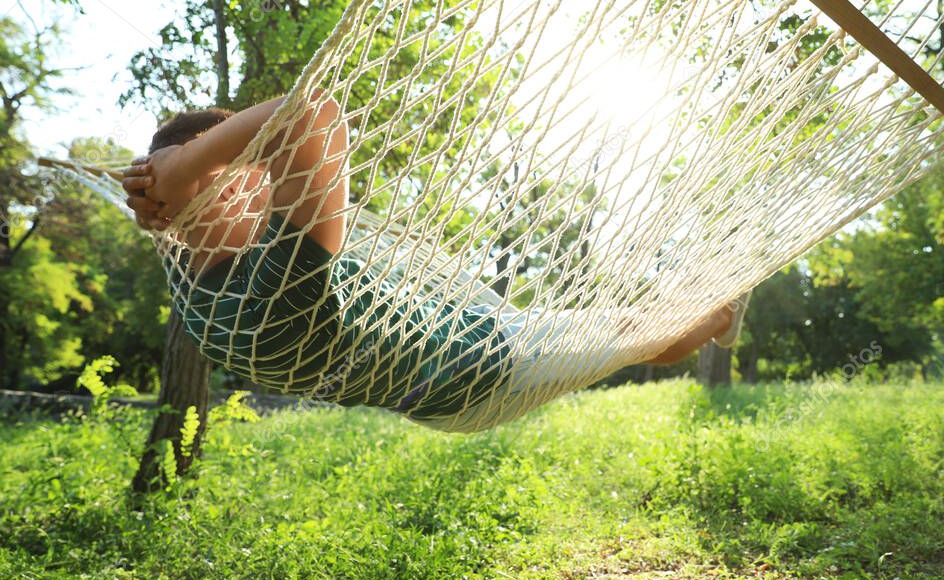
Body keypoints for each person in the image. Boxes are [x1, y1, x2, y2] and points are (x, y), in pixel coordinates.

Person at [123, 93, 746, 431]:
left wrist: (171, 182)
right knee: (650, 338)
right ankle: (723, 308)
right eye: (216, 180)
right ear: (178, 202)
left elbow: (286, 140)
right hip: (482, 376)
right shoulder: (261, 290)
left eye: (241, 175)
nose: (248, 189)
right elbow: (311, 116)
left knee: (635, 320)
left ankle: (708, 291)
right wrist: (183, 168)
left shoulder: (212, 283)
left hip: (475, 335)